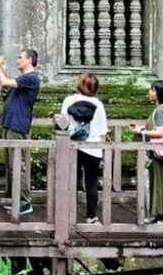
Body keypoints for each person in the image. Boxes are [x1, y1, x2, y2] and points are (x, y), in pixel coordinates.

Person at [0, 48, 41, 215]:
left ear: (29, 60)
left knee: (17, 166)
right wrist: (3, 71)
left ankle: (25, 201)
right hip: (10, 123)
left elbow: (7, 83)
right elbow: (6, 89)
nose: (17, 60)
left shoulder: (32, 77)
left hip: (18, 124)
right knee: (10, 166)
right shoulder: (22, 79)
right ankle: (16, 198)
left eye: (20, 57)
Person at [129, 80, 163, 224]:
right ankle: (161, 216)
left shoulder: (161, 111)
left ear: (159, 93)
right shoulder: (161, 109)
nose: (149, 93)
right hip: (159, 154)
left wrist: (141, 131)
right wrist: (142, 129)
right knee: (159, 182)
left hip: (160, 153)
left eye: (152, 90)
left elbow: (160, 132)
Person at [61, 73, 108, 224]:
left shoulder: (69, 100)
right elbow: (102, 131)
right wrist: (101, 151)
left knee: (71, 180)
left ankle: (68, 214)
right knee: (92, 182)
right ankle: (92, 216)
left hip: (72, 145)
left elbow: (63, 123)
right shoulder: (98, 104)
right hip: (93, 147)